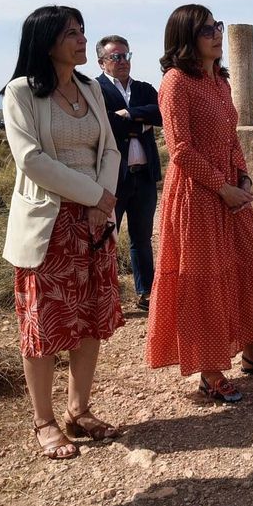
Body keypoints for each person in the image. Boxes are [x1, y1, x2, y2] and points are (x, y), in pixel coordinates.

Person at [1, 6, 124, 460]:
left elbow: (110, 148)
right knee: (44, 325)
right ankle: (44, 421)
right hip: (49, 224)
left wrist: (100, 201)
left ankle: (79, 409)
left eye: (82, 31)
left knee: (90, 317)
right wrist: (94, 195)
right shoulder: (19, 93)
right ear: (47, 41)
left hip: (93, 221)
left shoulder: (91, 88)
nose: (81, 39)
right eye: (71, 33)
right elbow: (30, 159)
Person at [150, 4, 253, 401]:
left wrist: (242, 176)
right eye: (207, 28)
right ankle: (210, 373)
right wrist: (222, 187)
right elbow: (179, 149)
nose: (216, 34)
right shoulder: (175, 82)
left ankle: (251, 353)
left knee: (250, 269)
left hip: (230, 192)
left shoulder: (220, 82)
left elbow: (230, 138)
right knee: (204, 281)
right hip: (197, 195)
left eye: (217, 26)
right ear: (185, 38)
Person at [95, 34, 162, 313]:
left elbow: (160, 113)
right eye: (116, 57)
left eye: (126, 56)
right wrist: (139, 122)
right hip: (114, 179)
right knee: (106, 238)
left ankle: (146, 293)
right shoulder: (94, 89)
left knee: (142, 238)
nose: (123, 62)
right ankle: (104, 298)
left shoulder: (144, 88)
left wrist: (130, 114)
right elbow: (108, 125)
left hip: (143, 176)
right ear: (102, 62)